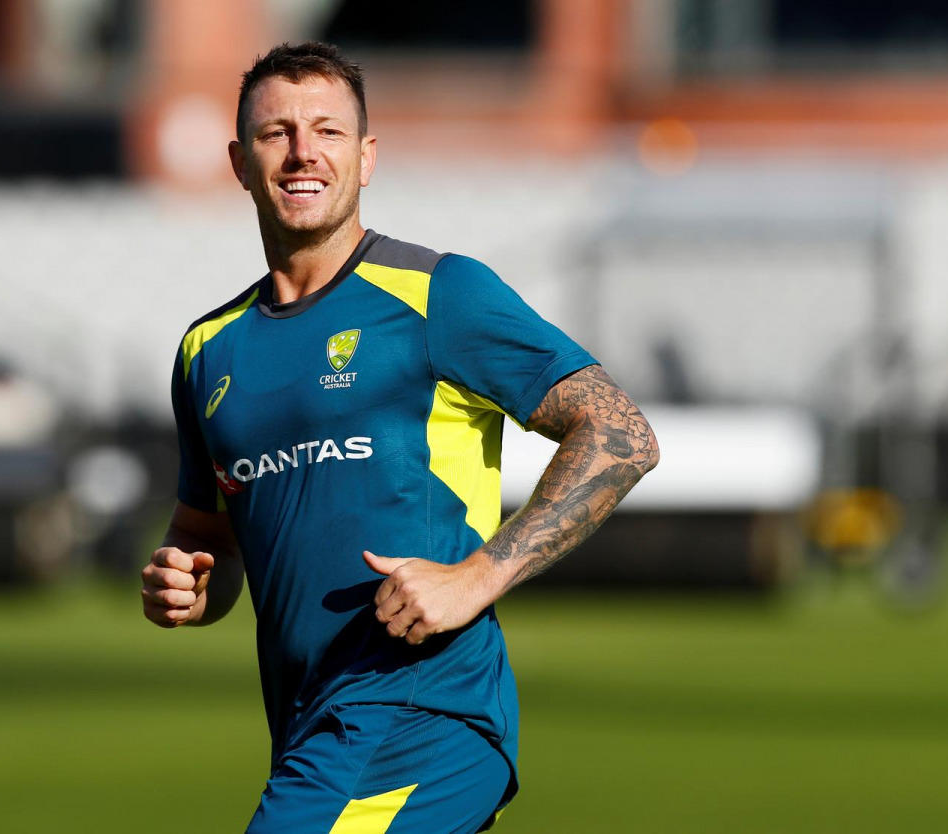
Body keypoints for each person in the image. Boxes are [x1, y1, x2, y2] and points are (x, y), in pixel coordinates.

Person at [141, 41, 659, 834]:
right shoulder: (207, 349)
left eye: (328, 131)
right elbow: (206, 534)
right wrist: (190, 584)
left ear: (367, 157)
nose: (303, 152)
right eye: (277, 133)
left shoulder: (438, 295)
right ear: (241, 162)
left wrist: (478, 575)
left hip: (422, 715)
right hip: (309, 731)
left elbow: (620, 434)